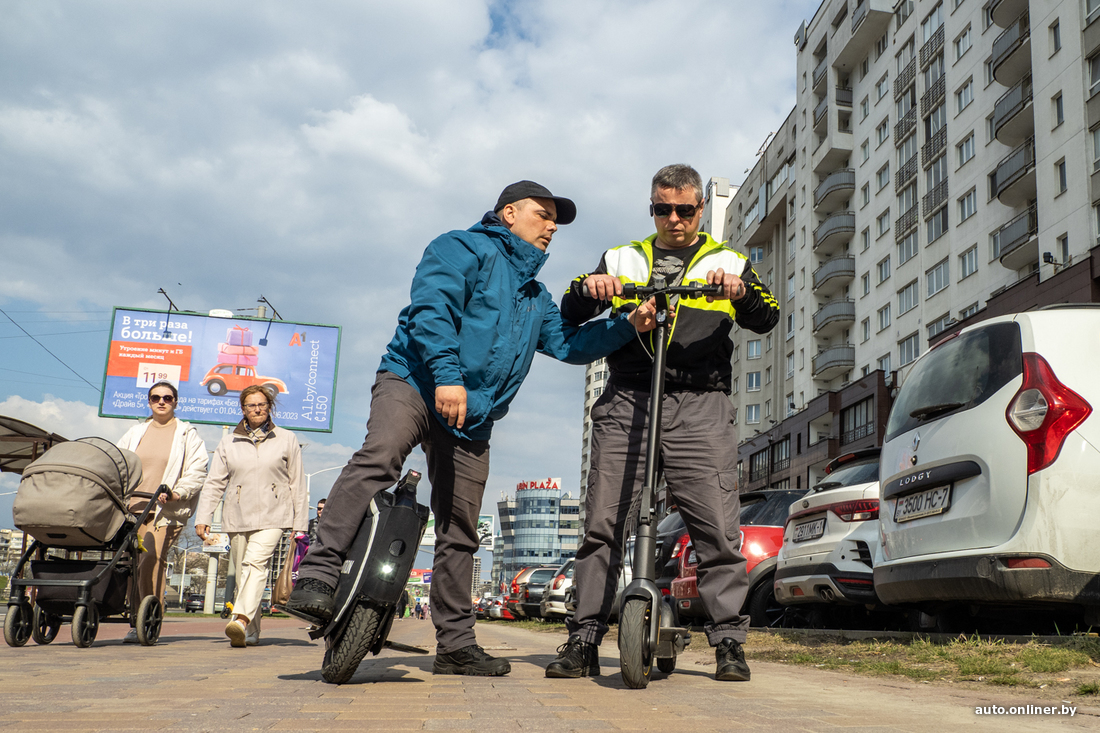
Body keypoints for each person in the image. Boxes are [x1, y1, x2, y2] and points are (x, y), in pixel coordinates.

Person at [286, 180, 658, 677]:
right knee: (380, 456)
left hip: (472, 414)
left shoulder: (535, 296)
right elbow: (431, 310)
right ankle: (318, 572)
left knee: (461, 528)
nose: (551, 227)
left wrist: (628, 324)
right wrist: (446, 377)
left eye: (556, 221)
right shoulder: (460, 247)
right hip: (415, 380)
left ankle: (456, 644)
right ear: (508, 213)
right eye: (542, 215)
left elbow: (570, 346)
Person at [545, 164, 780, 682]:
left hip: (699, 404)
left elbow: (767, 315)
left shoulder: (728, 259)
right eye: (662, 209)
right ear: (651, 208)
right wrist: (593, 288)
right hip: (629, 398)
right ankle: (583, 638)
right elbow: (571, 304)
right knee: (602, 524)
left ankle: (729, 646)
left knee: (717, 530)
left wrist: (738, 291)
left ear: (700, 210)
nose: (673, 218)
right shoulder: (623, 256)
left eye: (684, 210)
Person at [195, 385, 307, 648]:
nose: (257, 409)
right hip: (238, 516)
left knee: (254, 565)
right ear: (242, 409)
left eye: (262, 404)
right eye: (251, 405)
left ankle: (241, 618)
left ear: (270, 407)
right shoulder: (228, 441)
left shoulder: (286, 438)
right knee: (245, 574)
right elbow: (214, 483)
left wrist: (300, 524)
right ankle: (250, 631)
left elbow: (297, 484)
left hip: (275, 515)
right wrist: (204, 516)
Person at [116, 381, 208, 643]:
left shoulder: (187, 435)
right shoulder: (135, 433)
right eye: (156, 397)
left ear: (175, 402)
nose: (161, 402)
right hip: (130, 509)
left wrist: (178, 492)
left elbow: (197, 470)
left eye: (168, 398)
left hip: (164, 510)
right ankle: (131, 613)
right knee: (130, 564)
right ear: (149, 401)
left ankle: (145, 620)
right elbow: (116, 462)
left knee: (151, 560)